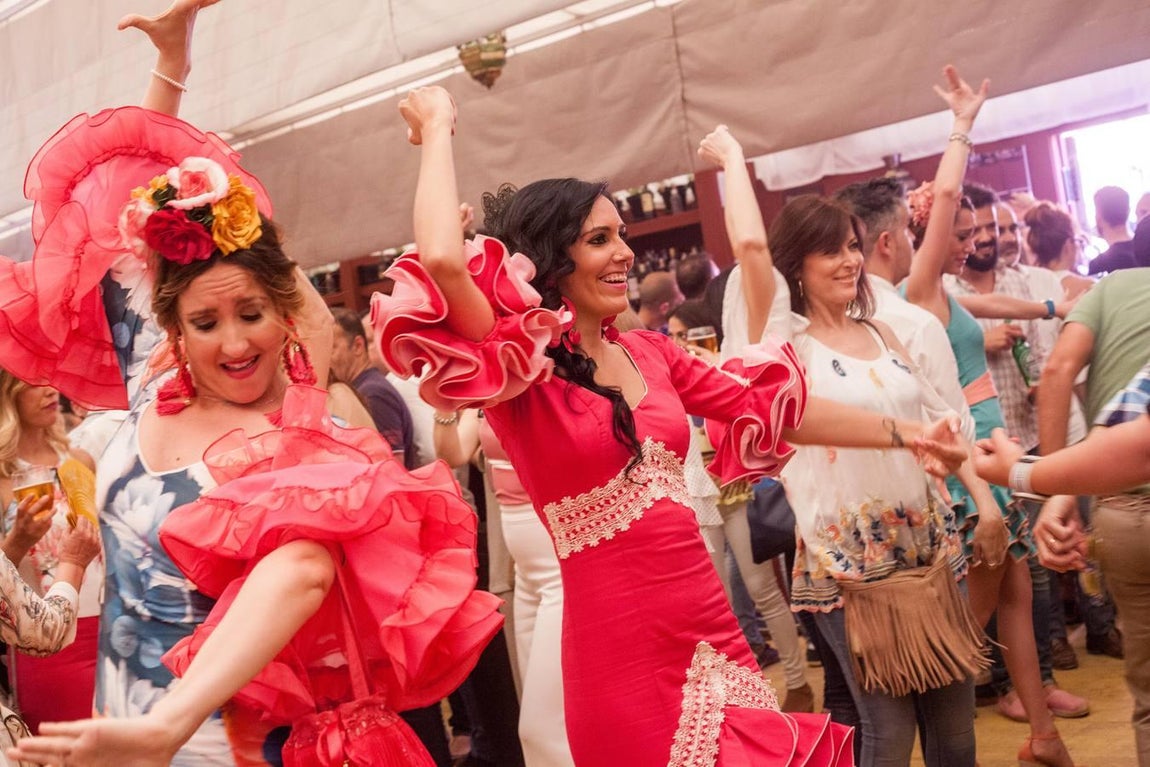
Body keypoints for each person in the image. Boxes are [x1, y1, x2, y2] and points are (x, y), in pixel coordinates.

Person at [372, 86, 970, 767]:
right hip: (617, 663)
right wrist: (439, 125)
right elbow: (445, 262)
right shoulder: (527, 375)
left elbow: (776, 406)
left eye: (622, 233)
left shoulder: (654, 353)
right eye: (600, 239)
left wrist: (909, 434)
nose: (624, 251)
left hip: (712, 637)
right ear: (550, 261)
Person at [3, 3, 502, 765]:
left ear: (284, 312)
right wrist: (172, 66)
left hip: (225, 742)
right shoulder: (156, 387)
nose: (233, 341)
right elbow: (130, 201)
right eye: (207, 323)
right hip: (119, 736)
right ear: (175, 329)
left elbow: (304, 569)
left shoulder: (307, 437)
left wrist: (167, 725)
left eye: (252, 313)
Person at [901, 66, 1078, 767]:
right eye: (961, 230)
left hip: (989, 457)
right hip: (969, 470)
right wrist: (962, 126)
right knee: (963, 639)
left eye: (976, 231)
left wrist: (1050, 307)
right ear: (930, 231)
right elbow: (946, 191)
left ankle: (1043, 736)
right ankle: (911, 742)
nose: (971, 241)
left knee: (1016, 608)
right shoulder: (918, 291)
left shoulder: (944, 296)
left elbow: (992, 310)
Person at [435, 409, 574, 767]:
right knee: (537, 716)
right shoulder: (485, 383)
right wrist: (444, 406)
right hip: (521, 570)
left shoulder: (544, 369)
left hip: (559, 560)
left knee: (542, 724)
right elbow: (452, 453)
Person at [0, 371, 102, 732]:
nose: (49, 390)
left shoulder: (80, 460)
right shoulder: (3, 475)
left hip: (107, 627)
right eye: (33, 381)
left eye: (50, 378)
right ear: (8, 393)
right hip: (45, 635)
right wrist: (19, 540)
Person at [330, 306, 415, 466]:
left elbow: (392, 466)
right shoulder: (366, 388)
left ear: (358, 346)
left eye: (331, 347)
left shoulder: (373, 393)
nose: (324, 357)